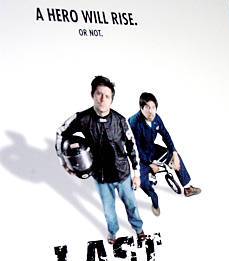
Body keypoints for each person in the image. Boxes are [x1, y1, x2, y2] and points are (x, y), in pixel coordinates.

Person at [56, 75, 145, 245]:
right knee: (109, 211)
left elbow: (132, 146)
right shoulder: (82, 118)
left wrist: (137, 174)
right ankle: (113, 233)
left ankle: (139, 230)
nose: (103, 99)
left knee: (131, 205)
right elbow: (61, 133)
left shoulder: (120, 121)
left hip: (123, 173)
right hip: (101, 176)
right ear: (92, 95)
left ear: (111, 99)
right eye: (99, 94)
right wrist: (64, 161)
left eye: (107, 95)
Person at [128, 92, 201, 216]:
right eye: (147, 108)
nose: (151, 111)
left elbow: (165, 135)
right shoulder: (134, 122)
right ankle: (154, 202)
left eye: (153, 108)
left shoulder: (156, 118)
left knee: (175, 157)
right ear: (141, 108)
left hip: (152, 149)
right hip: (139, 157)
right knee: (145, 183)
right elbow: (135, 148)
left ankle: (187, 188)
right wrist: (150, 164)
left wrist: (174, 152)